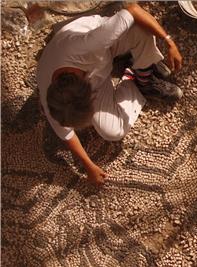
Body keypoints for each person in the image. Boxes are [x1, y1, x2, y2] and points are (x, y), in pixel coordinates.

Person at [36, 3, 183, 186]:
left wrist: (169, 41)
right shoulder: (56, 101)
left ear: (90, 92)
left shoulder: (90, 44)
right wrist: (89, 167)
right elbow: (66, 134)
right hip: (96, 68)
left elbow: (133, 10)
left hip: (103, 46)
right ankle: (133, 71)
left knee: (139, 30)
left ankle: (145, 76)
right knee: (114, 131)